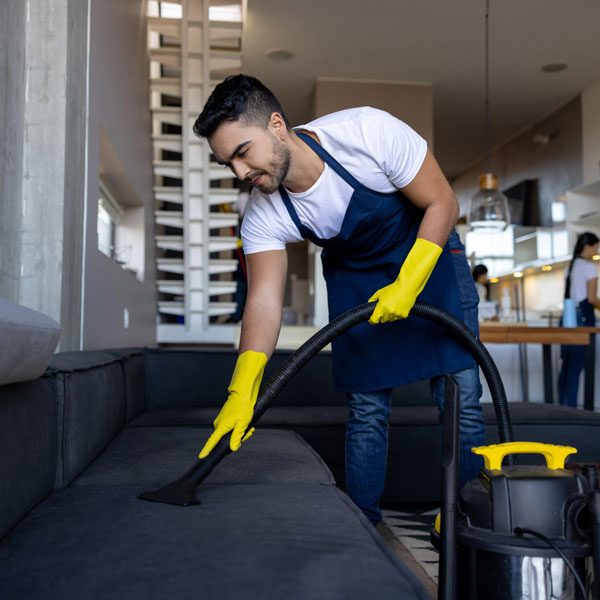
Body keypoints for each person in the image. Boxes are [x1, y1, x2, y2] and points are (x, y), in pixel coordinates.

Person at [193, 74, 485, 526]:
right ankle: (362, 525)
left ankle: (465, 518)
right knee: (367, 406)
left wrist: (409, 283)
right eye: (226, 164)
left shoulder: (368, 133)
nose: (239, 173)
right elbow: (264, 301)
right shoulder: (264, 213)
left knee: (460, 397)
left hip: (428, 258)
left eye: (242, 153)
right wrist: (243, 384)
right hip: (356, 278)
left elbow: (443, 202)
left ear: (275, 124)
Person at [557, 232, 600, 407]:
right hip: (582, 317)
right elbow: (591, 298)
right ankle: (574, 413)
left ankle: (562, 408)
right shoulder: (590, 267)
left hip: (567, 317)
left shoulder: (571, 266)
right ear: (587, 246)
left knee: (566, 367)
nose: (596, 252)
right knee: (576, 366)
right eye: (596, 247)